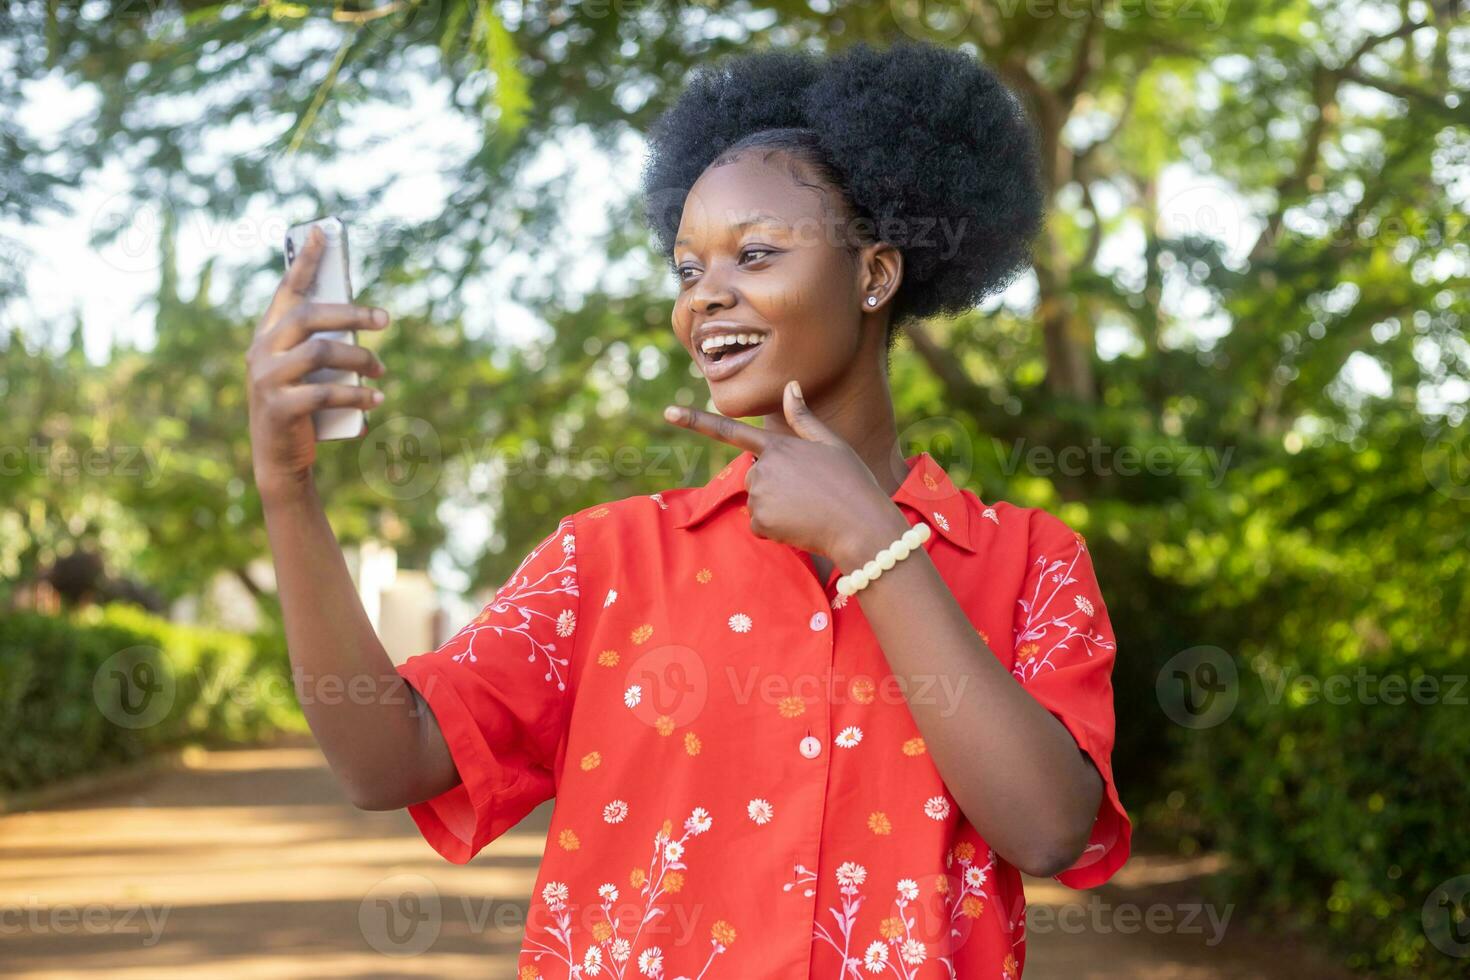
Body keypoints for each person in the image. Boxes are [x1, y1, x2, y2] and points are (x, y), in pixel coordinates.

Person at [248, 39, 1130, 980]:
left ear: (875, 276)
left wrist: (873, 540)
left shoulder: (1030, 559)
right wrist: (287, 491)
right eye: (685, 269)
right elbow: (387, 762)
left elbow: (1047, 829)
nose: (706, 297)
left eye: (753, 254)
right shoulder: (605, 559)